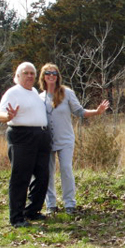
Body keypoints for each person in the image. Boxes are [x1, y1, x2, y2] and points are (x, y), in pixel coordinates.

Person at [38, 63, 109, 215]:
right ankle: (51, 204)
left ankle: (69, 203)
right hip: (46, 141)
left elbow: (80, 112)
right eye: (48, 73)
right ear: (43, 77)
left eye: (54, 73)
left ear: (58, 76)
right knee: (47, 172)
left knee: (66, 169)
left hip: (65, 140)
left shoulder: (66, 93)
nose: (51, 76)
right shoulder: (39, 98)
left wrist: (97, 112)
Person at [0, 62, 51, 227]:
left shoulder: (34, 91)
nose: (29, 76)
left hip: (41, 137)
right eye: (25, 73)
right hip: (22, 136)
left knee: (42, 176)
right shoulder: (13, 92)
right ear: (18, 76)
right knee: (21, 178)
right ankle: (17, 217)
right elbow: (0, 114)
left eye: (32, 73)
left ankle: (32, 211)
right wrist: (8, 115)